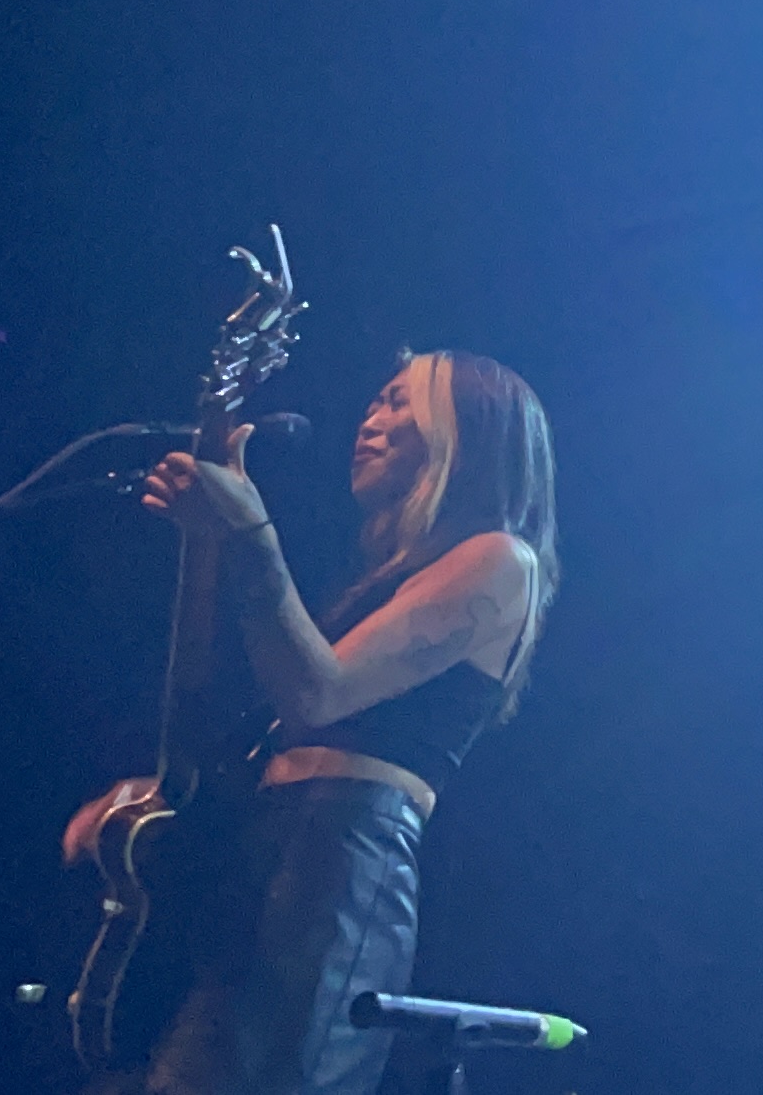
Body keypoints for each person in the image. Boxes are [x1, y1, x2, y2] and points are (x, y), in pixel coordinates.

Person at [62, 350, 560, 1095]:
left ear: (468, 432)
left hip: (337, 867)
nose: (372, 417)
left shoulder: (500, 559)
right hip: (274, 847)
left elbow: (318, 695)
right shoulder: (390, 575)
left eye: (400, 402)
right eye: (376, 400)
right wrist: (162, 792)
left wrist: (253, 534)